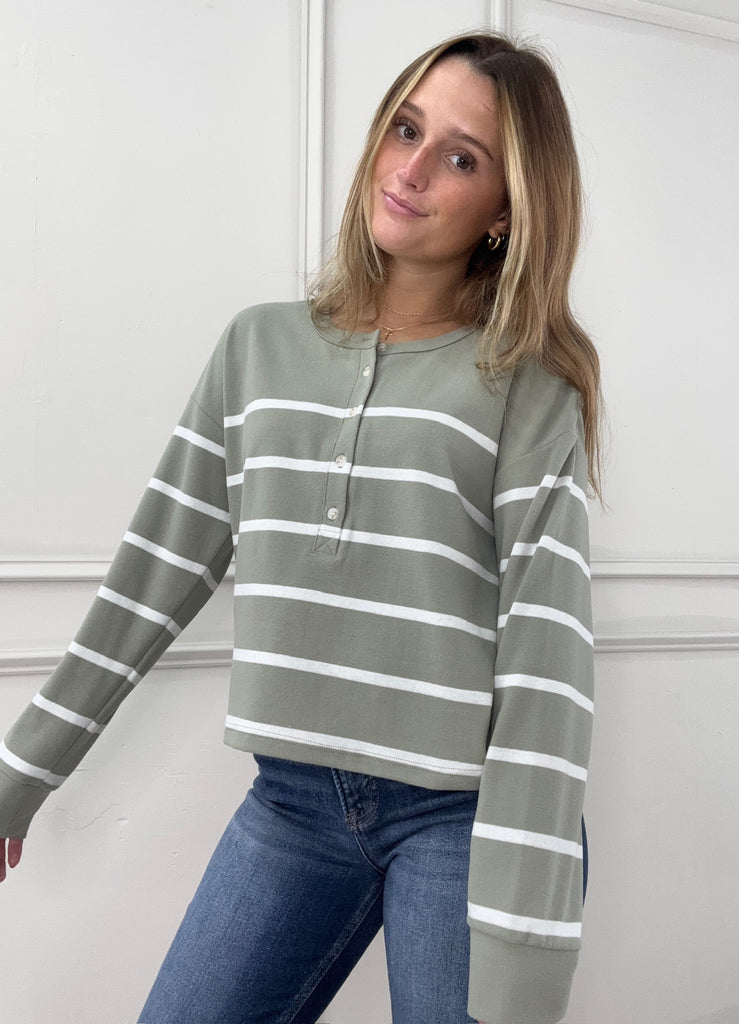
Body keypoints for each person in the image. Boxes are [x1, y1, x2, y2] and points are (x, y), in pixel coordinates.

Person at [0, 30, 601, 1024]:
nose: (411, 169)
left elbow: (548, 661)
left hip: (464, 816)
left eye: (461, 157)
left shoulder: (527, 384)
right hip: (293, 804)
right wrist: (20, 773)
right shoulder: (258, 347)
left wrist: (524, 943)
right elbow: (152, 572)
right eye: (404, 129)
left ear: (507, 209)